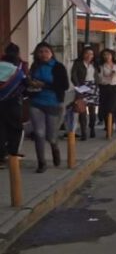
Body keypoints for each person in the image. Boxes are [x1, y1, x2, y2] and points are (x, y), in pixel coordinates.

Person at [26, 42, 69, 173]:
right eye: (40, 52)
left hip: (53, 103)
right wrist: (30, 84)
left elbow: (64, 85)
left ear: (51, 53)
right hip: (36, 102)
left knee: (51, 136)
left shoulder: (58, 67)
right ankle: (41, 162)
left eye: (46, 51)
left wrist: (44, 85)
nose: (43, 54)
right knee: (39, 133)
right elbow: (29, 82)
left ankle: (54, 147)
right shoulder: (35, 66)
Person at [0, 44, 28, 168]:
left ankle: (0, 157)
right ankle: (12, 155)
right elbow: (25, 86)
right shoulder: (17, 71)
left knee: (1, 130)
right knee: (15, 129)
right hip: (13, 104)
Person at [70, 47, 99, 140]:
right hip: (82, 86)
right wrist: (78, 86)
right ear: (83, 54)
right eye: (87, 53)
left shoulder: (94, 64)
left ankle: (92, 128)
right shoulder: (78, 63)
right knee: (82, 110)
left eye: (91, 54)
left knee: (92, 110)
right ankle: (83, 132)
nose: (89, 55)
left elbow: (97, 75)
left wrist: (97, 85)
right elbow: (73, 75)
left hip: (93, 86)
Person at [96, 49, 116, 134]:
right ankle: (108, 125)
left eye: (108, 54)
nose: (107, 56)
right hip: (105, 88)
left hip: (115, 88)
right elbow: (100, 80)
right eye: (104, 55)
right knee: (106, 108)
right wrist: (110, 76)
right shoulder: (101, 66)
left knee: (114, 107)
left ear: (112, 55)